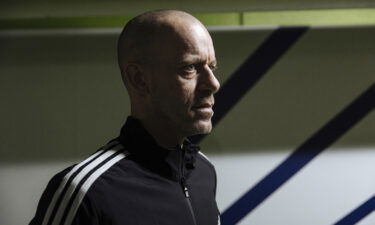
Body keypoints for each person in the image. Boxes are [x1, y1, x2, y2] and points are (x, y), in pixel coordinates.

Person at [30, 9, 221, 225]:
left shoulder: (204, 173)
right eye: (189, 68)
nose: (214, 84)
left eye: (212, 67)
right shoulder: (85, 191)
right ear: (139, 79)